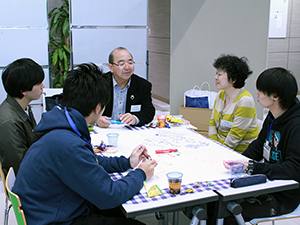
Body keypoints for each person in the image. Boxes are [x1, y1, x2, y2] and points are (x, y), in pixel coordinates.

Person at [13, 63, 157, 225]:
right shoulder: (67, 143)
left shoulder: (61, 122)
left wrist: (127, 162)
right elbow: (110, 195)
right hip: (55, 219)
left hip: (47, 208)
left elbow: (89, 160)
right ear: (98, 108)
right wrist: (141, 174)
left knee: (115, 211)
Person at [222, 67, 300, 224]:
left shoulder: (296, 125)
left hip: (283, 195)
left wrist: (253, 167)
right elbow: (259, 145)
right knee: (217, 205)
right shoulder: (273, 116)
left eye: (261, 91)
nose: (257, 94)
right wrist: (238, 161)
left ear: (275, 96)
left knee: (226, 215)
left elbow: (294, 169)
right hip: (268, 184)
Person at [0, 58, 45, 177]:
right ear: (23, 90)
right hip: (26, 183)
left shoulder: (23, 108)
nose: (43, 86)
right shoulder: (9, 122)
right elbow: (20, 166)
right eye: (38, 83)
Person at [209, 54, 259, 153]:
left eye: (219, 74)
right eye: (216, 74)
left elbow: (234, 137)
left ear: (234, 79)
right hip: (219, 149)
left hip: (240, 154)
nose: (215, 77)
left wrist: (218, 152)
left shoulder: (245, 101)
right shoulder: (221, 95)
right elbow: (212, 123)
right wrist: (213, 146)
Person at [96, 47, 155, 127]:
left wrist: (135, 118)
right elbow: (86, 109)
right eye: (122, 64)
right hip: (104, 130)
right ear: (111, 67)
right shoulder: (98, 83)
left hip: (130, 131)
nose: (127, 67)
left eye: (130, 63)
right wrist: (96, 119)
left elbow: (149, 111)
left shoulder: (142, 85)